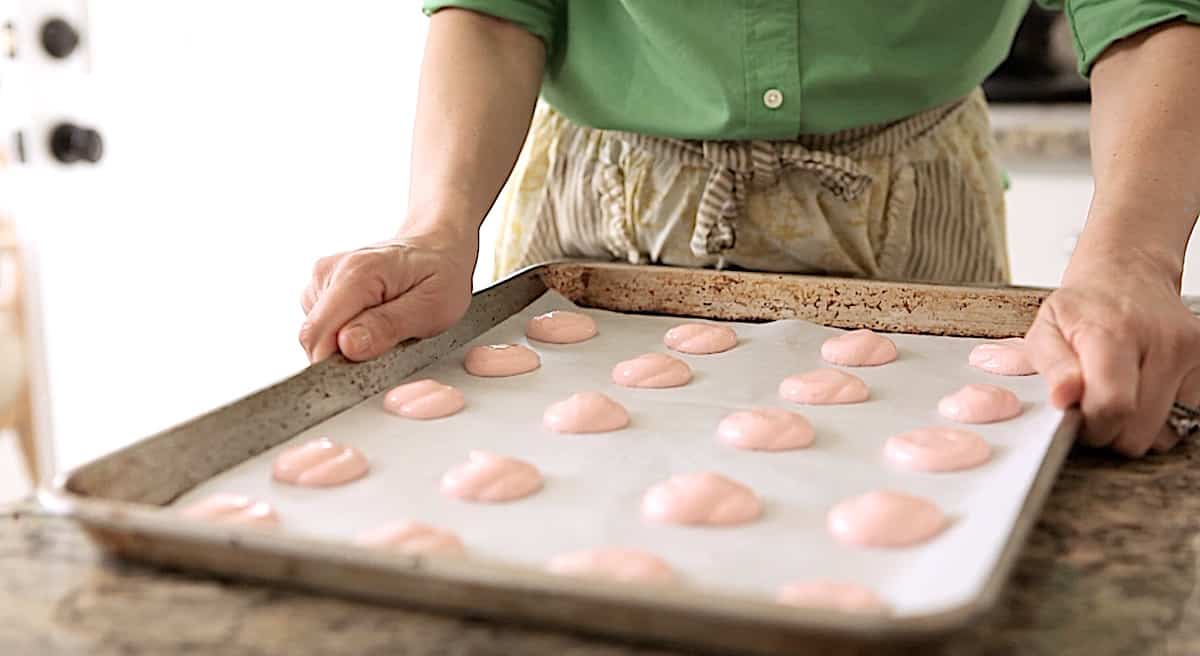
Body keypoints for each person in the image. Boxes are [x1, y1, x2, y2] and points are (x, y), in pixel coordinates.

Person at [298, 2, 1200, 457]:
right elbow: (496, 10)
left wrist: (1130, 259)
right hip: (596, 209)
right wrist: (439, 225)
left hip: (910, 190)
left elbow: (1152, 11)